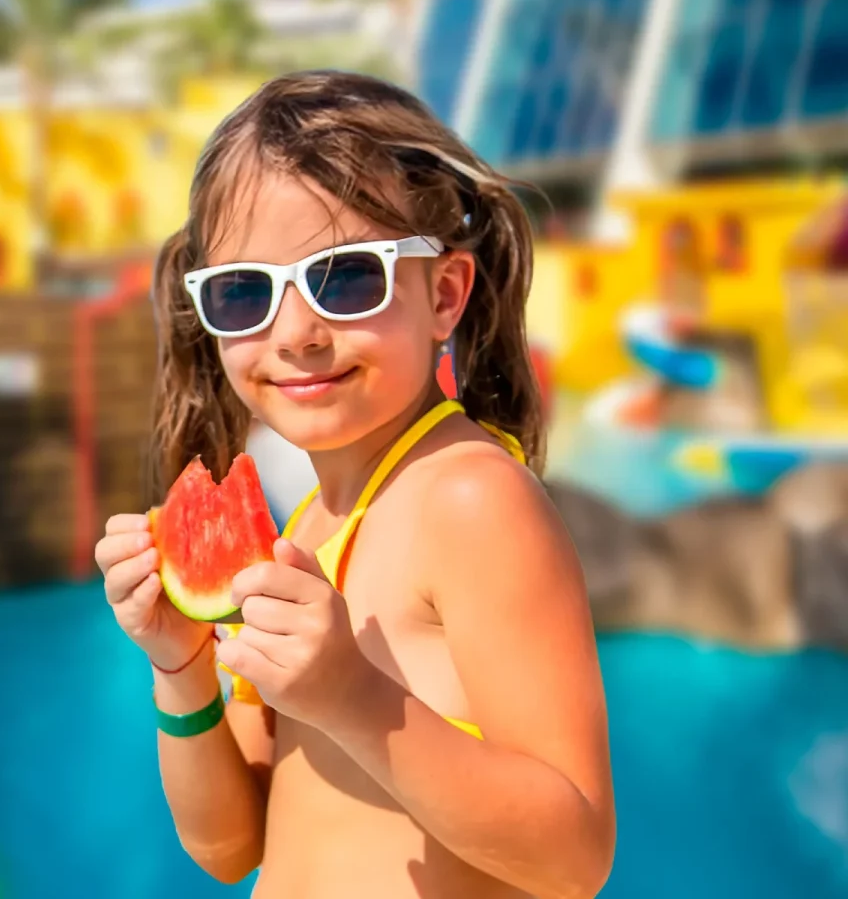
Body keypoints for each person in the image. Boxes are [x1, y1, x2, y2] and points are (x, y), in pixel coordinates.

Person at [95, 71, 615, 899]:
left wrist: (352, 697)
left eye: (345, 278)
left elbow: (574, 857)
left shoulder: (470, 500)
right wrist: (180, 667)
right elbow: (232, 847)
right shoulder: (303, 525)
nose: (296, 333)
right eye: (244, 293)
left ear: (442, 293)